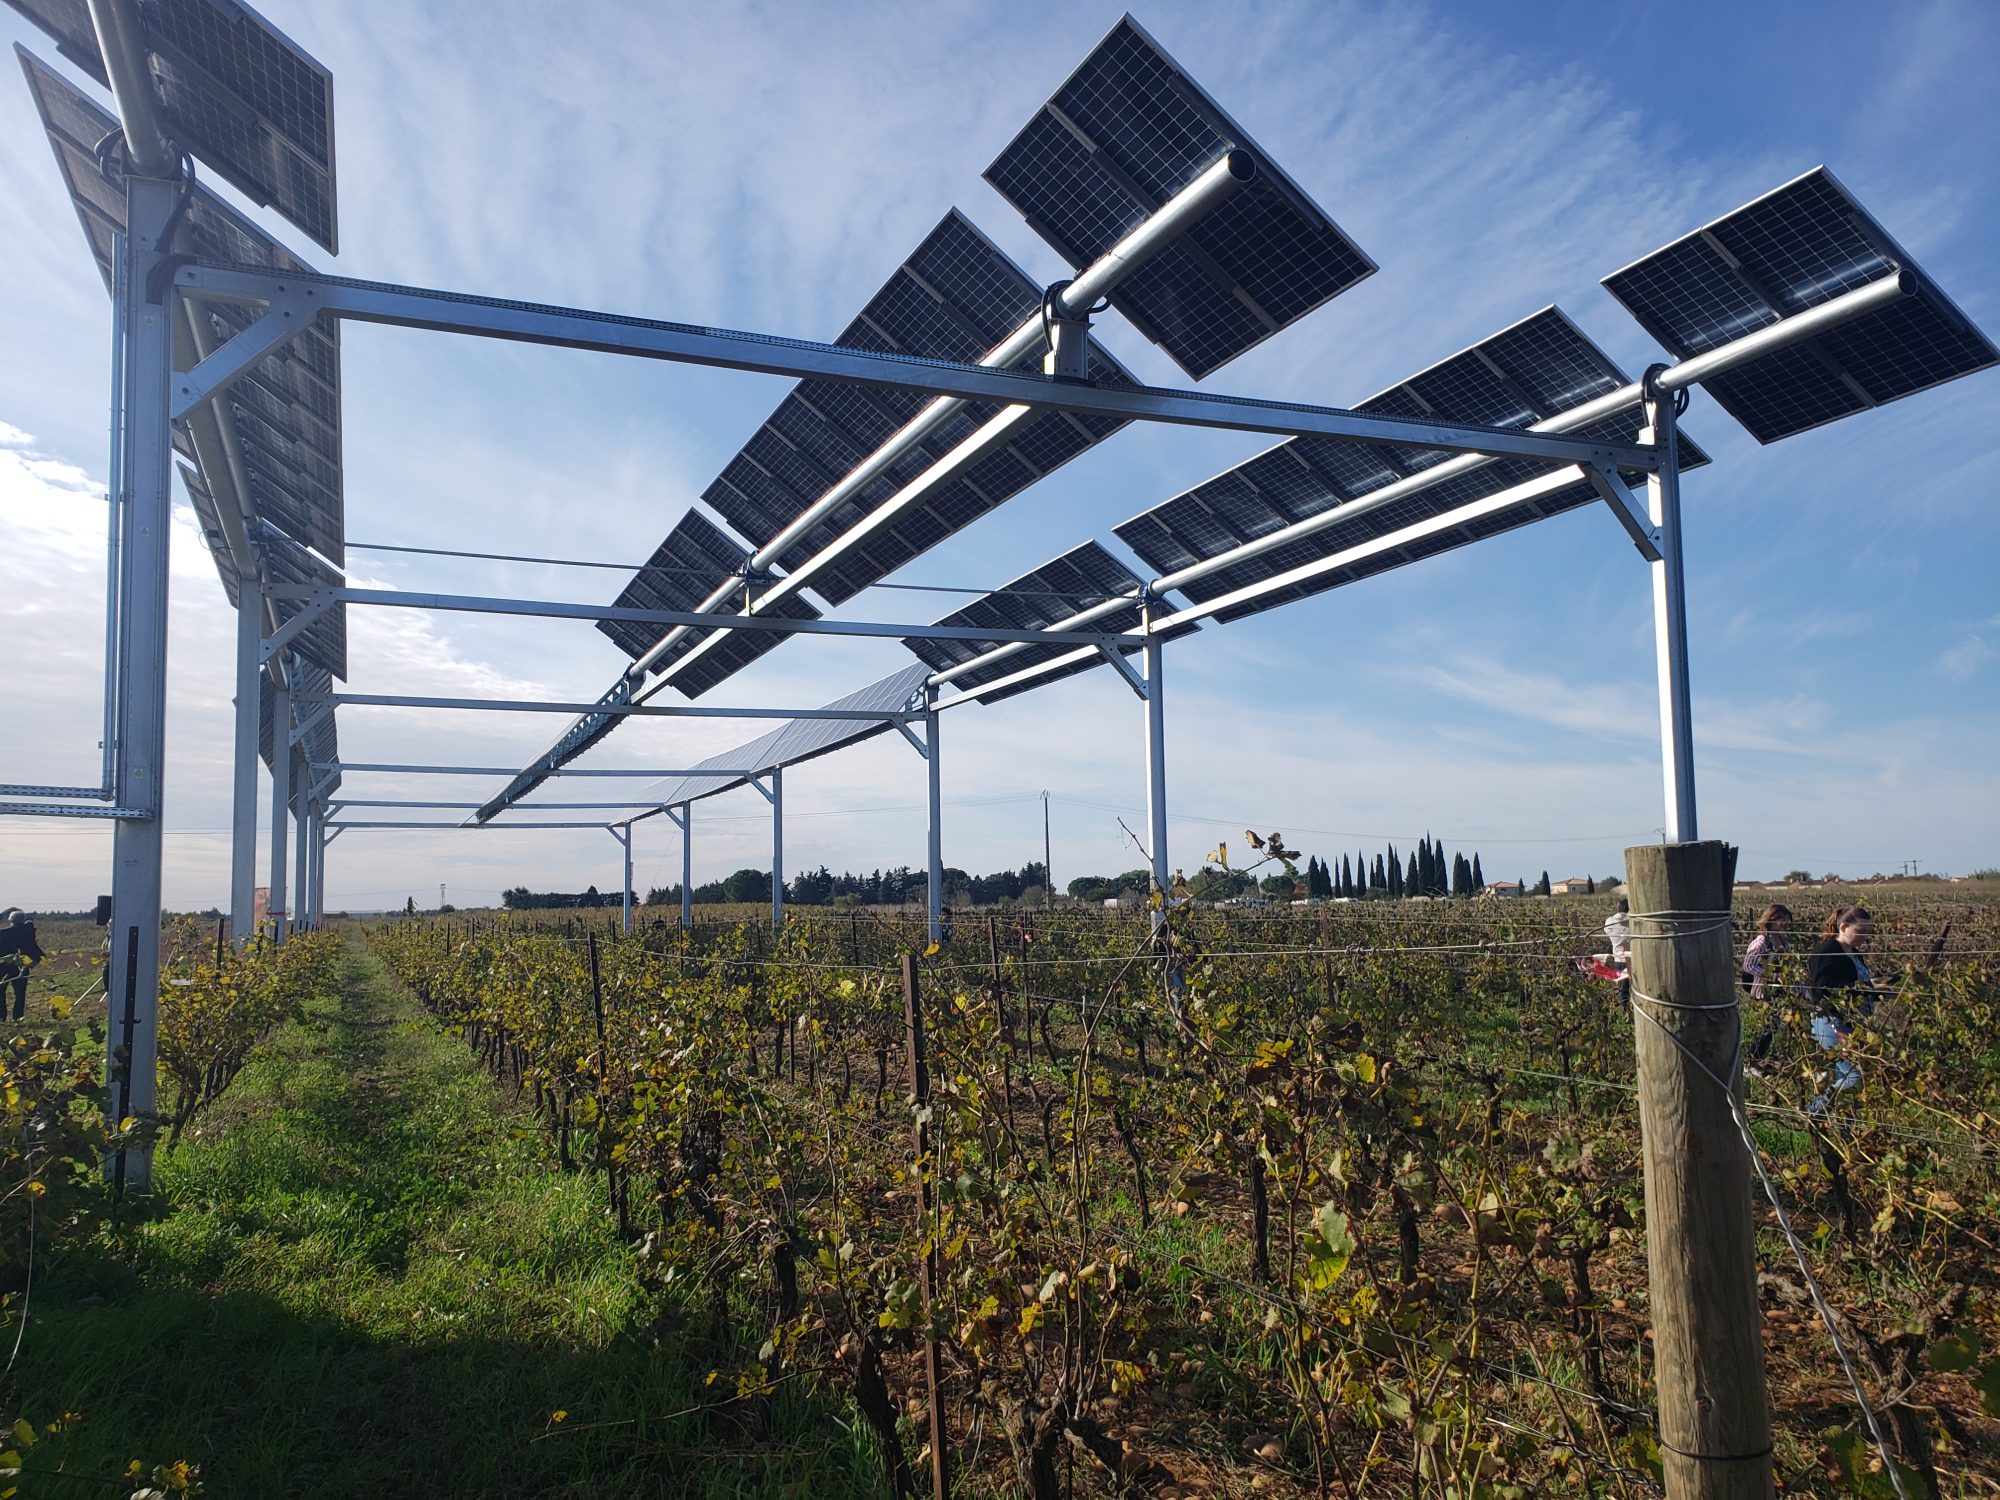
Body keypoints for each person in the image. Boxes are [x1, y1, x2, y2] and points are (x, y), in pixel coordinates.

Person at [1806, 906, 1879, 1110]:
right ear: (1844, 926)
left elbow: (1859, 986)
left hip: (1853, 1022)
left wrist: (1879, 990)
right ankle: (1813, 1112)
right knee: (1852, 1076)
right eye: (1861, 931)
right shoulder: (1826, 952)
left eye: (1868, 932)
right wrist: (1838, 1027)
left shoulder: (1854, 953)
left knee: (1845, 1074)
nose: (1865, 936)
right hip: (1832, 1022)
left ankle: (1841, 1124)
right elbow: (1823, 992)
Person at [0, 908, 46, 1021]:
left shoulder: (3, 934)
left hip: (3, 967)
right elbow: (34, 950)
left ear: (10, 920)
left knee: (1, 993)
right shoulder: (28, 933)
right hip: (22, 967)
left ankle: (1, 1017)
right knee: (20, 994)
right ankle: (18, 1017)